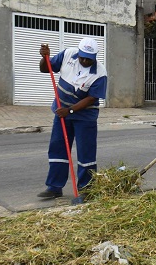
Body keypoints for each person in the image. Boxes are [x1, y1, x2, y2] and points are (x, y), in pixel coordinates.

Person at [37, 39, 107, 199]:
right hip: (62, 113)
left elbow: (91, 99)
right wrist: (44, 57)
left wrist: (70, 110)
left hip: (84, 117)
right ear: (79, 53)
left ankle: (86, 190)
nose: (84, 61)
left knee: (86, 154)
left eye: (88, 59)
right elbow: (45, 68)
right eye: (82, 57)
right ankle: (54, 187)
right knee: (57, 149)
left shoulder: (100, 73)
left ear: (95, 57)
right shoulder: (68, 54)